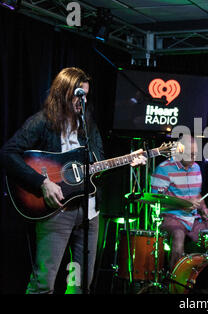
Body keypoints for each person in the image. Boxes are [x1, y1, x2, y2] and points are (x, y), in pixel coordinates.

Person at [0, 67, 147, 294]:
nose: (83, 101)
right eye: (79, 95)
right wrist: (42, 182)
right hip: (56, 213)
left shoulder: (88, 126)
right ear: (63, 93)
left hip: (89, 215)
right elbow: (8, 153)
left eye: (86, 95)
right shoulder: (42, 121)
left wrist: (128, 161)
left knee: (79, 284)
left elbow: (98, 166)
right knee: (43, 283)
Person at [150, 134, 208, 269]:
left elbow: (197, 195)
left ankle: (204, 277)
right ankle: (175, 282)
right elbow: (156, 200)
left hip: (192, 218)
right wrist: (185, 202)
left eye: (195, 154)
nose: (194, 158)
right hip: (170, 217)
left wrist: (204, 208)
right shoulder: (164, 169)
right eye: (190, 154)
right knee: (178, 235)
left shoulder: (196, 168)